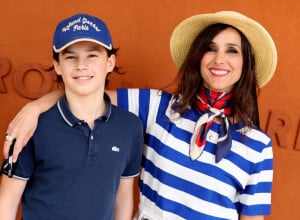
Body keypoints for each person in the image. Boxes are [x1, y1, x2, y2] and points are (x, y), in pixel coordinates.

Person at [3, 11, 277, 220]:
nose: (220, 59)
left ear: (246, 63)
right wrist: (35, 107)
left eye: (232, 50)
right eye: (210, 48)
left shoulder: (259, 146)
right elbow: (88, 91)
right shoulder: (158, 107)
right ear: (198, 57)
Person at [0, 13, 143, 220]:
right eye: (70, 57)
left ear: (110, 62)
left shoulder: (130, 127)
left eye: (92, 55)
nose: (81, 65)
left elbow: (123, 196)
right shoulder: (29, 126)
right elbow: (7, 201)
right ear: (57, 65)